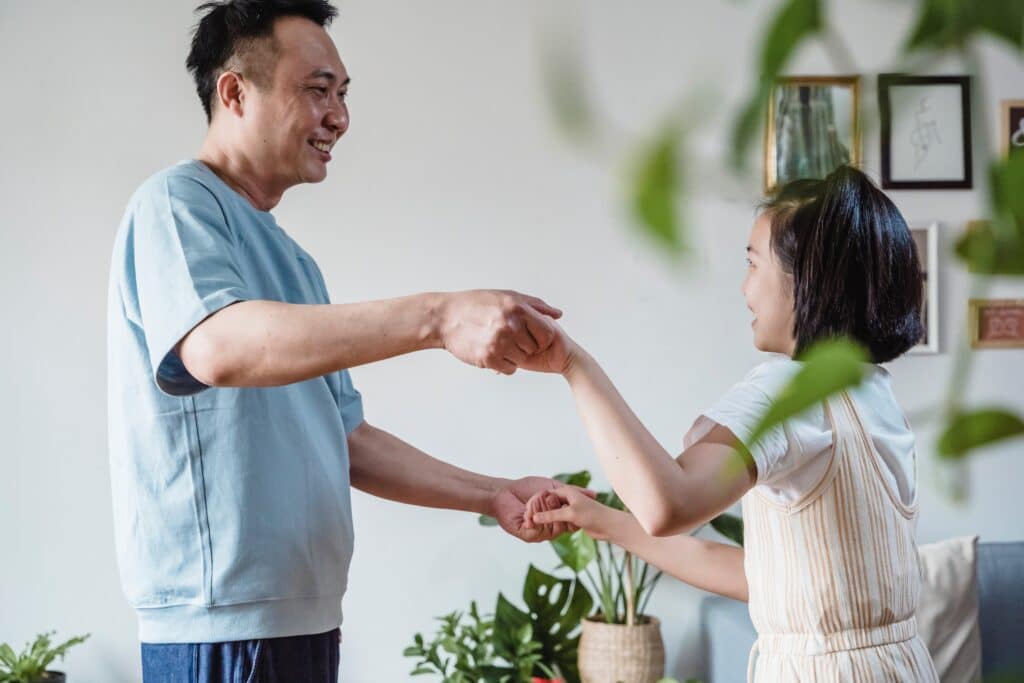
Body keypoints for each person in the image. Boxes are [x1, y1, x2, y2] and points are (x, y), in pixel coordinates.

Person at [106, 2, 581, 680]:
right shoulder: (175, 205)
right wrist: (438, 316)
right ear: (235, 91)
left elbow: (346, 437)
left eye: (343, 95)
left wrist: (494, 493)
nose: (339, 117)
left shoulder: (296, 265)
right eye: (318, 90)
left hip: (307, 620)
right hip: (216, 628)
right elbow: (217, 346)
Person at [521, 166, 940, 681]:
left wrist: (572, 364)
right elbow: (764, 579)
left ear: (806, 280)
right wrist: (602, 521)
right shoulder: (871, 392)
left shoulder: (791, 391)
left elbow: (665, 503)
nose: (745, 287)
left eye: (753, 262)